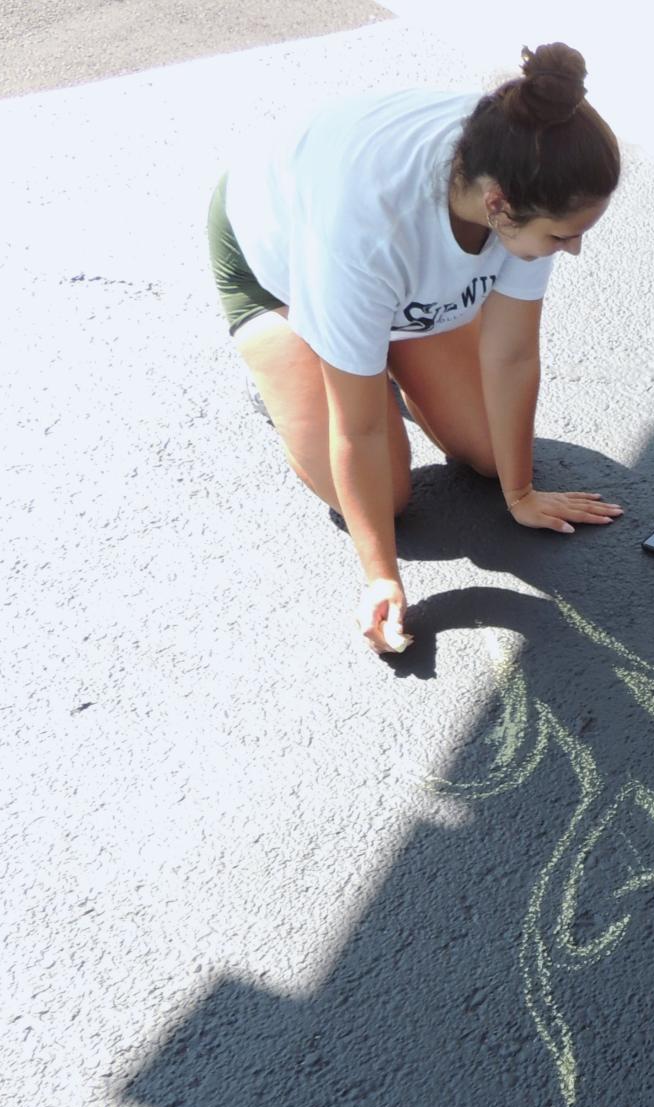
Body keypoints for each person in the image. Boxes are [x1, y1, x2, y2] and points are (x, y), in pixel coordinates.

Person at [207, 43, 625, 654]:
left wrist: (520, 493)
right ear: (498, 207)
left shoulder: (527, 168)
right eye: (563, 236)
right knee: (389, 496)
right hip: (278, 267)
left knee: (490, 451)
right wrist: (381, 576)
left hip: (402, 281)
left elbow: (510, 356)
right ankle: (316, 355)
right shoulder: (364, 236)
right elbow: (359, 433)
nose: (573, 250)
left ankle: (374, 347)